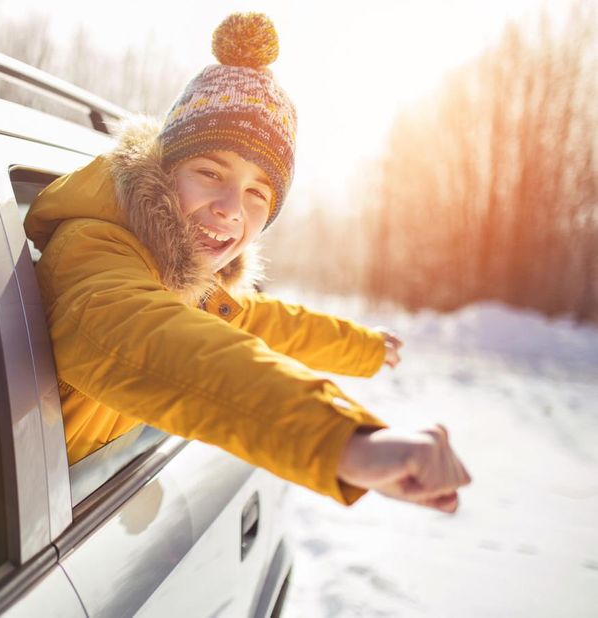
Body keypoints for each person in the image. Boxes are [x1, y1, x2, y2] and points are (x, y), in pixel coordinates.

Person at [24, 13, 471, 512]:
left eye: (258, 193)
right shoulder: (92, 255)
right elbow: (169, 349)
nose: (232, 209)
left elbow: (261, 323)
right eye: (211, 171)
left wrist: (365, 347)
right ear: (163, 169)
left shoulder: (181, 276)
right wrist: (343, 442)